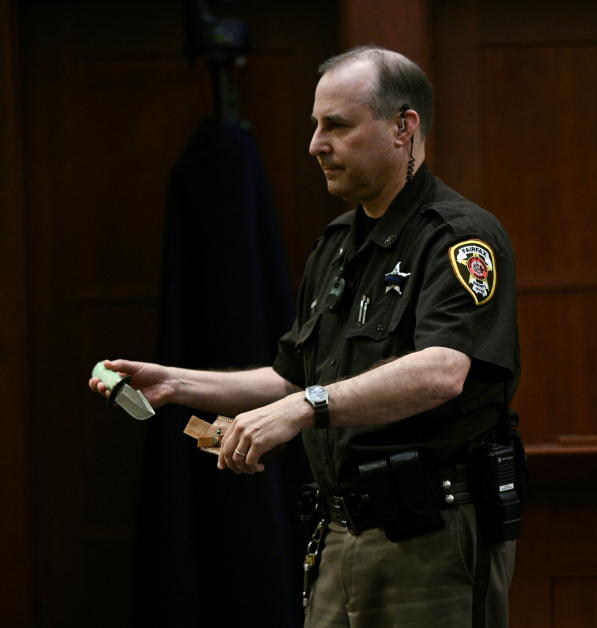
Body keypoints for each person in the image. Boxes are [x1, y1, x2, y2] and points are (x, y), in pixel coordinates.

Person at [90, 45, 521, 627]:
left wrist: (304, 407)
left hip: (429, 534)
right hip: (339, 532)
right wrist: (175, 383)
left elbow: (444, 370)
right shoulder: (337, 244)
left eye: (337, 126)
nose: (315, 144)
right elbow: (291, 375)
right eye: (316, 126)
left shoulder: (459, 238)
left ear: (403, 127)